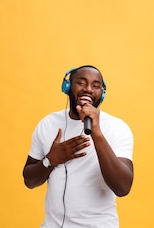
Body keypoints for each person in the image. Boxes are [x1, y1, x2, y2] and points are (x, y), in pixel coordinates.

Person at [22, 65, 134, 228]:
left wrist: (96, 133)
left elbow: (122, 187)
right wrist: (50, 160)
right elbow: (29, 181)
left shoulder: (117, 128)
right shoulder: (48, 124)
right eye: (81, 83)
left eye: (96, 86)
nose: (88, 89)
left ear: (101, 94)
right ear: (67, 87)